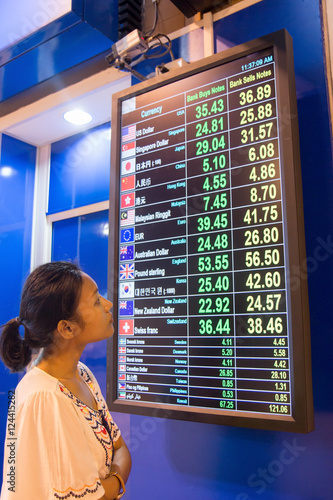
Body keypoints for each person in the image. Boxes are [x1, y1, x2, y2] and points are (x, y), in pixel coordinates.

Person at [0, 261, 131, 500]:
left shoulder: (82, 374)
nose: (109, 304)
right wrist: (116, 481)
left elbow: (120, 448)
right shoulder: (44, 397)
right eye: (95, 301)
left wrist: (111, 482)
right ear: (67, 328)